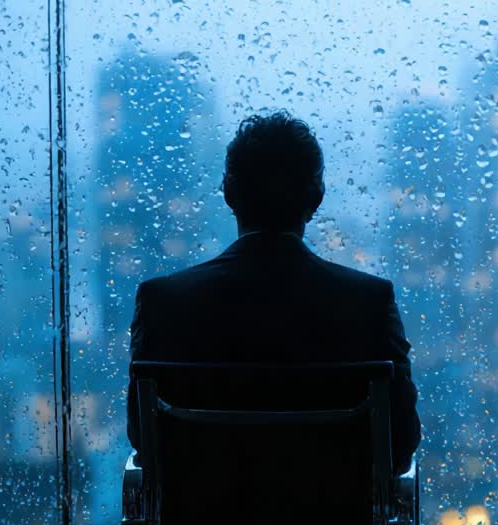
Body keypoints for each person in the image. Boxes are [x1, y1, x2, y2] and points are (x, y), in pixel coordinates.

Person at [126, 111, 421, 473]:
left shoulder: (163, 303)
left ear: (229, 193)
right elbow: (400, 445)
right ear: (316, 196)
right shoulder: (368, 303)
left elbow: (144, 439)